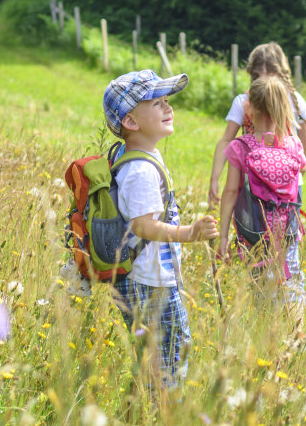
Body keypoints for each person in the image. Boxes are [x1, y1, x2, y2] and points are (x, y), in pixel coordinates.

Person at [102, 69, 219, 389]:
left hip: (146, 279)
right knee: (169, 361)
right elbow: (141, 225)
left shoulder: (142, 154)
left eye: (167, 101)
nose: (168, 108)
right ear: (131, 122)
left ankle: (147, 410)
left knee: (156, 362)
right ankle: (163, 412)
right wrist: (188, 233)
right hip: (148, 283)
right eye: (157, 103)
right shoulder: (140, 168)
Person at [218, 76, 306, 319]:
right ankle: (295, 334)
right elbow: (302, 169)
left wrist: (224, 235)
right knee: (292, 282)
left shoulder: (241, 147)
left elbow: (229, 193)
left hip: (253, 235)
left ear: (251, 108)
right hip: (287, 233)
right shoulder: (294, 145)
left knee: (260, 290)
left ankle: (267, 339)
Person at [208, 42, 306, 207]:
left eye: (269, 75)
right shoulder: (244, 102)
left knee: (255, 228)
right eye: (258, 76)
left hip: (264, 183)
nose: (264, 80)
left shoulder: (294, 100)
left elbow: (305, 142)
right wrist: (214, 178)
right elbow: (226, 141)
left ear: (280, 74)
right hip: (261, 183)